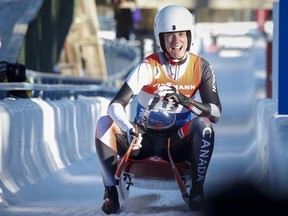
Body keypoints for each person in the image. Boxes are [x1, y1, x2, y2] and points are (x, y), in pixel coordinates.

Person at [95, 4, 222, 214]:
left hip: (176, 141)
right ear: (160, 38)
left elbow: (216, 113)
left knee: (204, 126)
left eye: (181, 34)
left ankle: (197, 190)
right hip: (142, 138)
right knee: (104, 123)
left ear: (190, 36)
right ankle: (110, 191)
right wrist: (128, 128)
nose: (176, 41)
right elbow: (115, 105)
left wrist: (184, 100)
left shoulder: (201, 67)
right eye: (169, 35)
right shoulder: (148, 66)